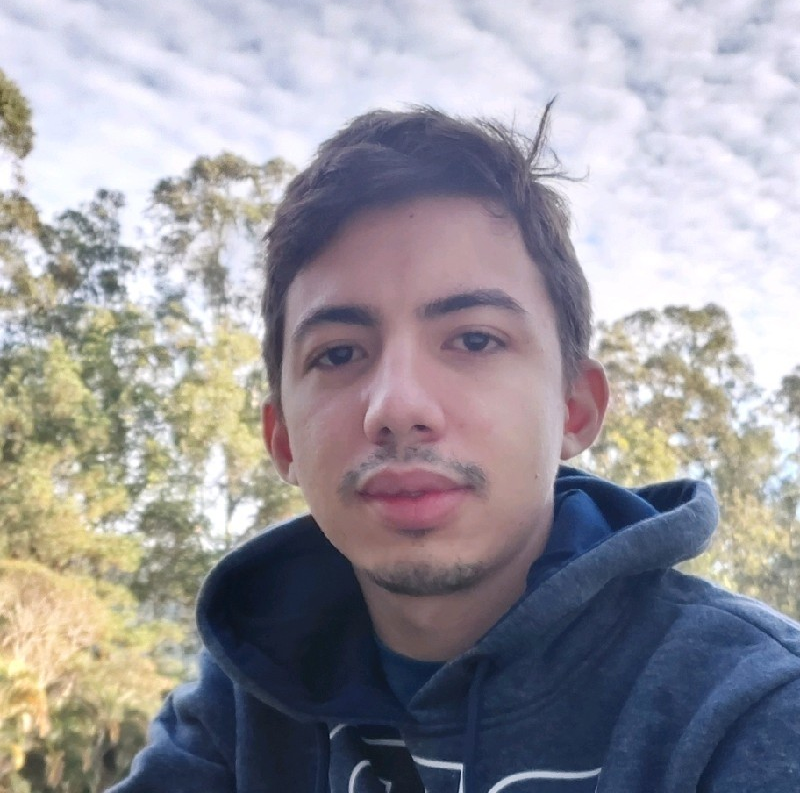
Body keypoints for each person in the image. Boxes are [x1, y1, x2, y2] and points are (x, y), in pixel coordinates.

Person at [112, 104, 800, 793]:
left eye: (475, 340)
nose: (397, 408)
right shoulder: (239, 712)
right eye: (340, 353)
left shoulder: (752, 710)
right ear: (283, 439)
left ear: (575, 407)